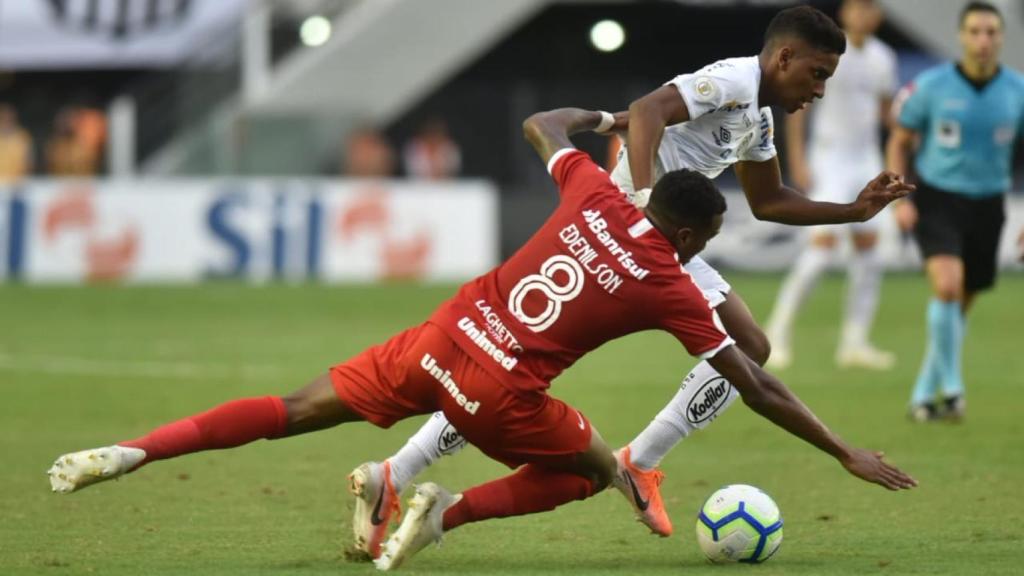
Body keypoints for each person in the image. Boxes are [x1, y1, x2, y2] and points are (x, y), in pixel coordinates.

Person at [46, 107, 917, 572]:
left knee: (292, 407)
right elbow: (754, 381)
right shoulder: (672, 281)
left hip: (438, 339)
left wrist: (596, 121)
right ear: (691, 237)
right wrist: (842, 449)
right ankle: (444, 515)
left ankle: (131, 452)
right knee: (597, 476)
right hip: (502, 396)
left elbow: (542, 125)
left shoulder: (596, 194)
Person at [352, 4, 916, 550]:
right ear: (784, 57)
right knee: (514, 367)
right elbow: (647, 110)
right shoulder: (732, 80)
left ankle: (630, 462)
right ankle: (408, 471)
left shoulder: (758, 115)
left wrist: (851, 211)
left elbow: (768, 201)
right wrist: (644, 208)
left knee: (748, 346)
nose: (818, 91)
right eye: (817, 75)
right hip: (625, 228)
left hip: (666, 242)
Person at [886, 1, 1024, 422]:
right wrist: (900, 197)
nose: (983, 40)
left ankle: (923, 397)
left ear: (1001, 38)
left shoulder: (1017, 91)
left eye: (991, 32)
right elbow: (900, 140)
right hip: (937, 198)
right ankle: (955, 388)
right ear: (961, 36)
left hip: (989, 204)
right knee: (947, 286)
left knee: (958, 306)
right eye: (975, 32)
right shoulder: (931, 86)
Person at [765, 0, 899, 370]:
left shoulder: (883, 58)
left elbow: (887, 113)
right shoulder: (825, 53)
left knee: (870, 252)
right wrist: (798, 160)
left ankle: (854, 343)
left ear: (878, 16)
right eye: (858, 7)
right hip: (830, 158)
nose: (863, 15)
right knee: (821, 250)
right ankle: (776, 335)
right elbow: (798, 107)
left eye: (870, 8)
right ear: (845, 12)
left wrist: (909, 129)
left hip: (866, 158)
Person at [0, 104, 33, 184]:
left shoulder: (23, 136)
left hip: (17, 183)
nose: (6, 120)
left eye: (8, 117)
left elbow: (29, 161)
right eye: (3, 117)